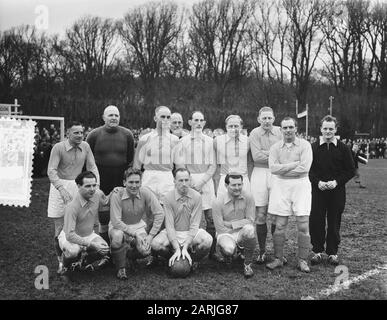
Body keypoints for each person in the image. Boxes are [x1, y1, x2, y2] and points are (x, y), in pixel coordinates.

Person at [47, 121, 100, 274]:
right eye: (75, 132)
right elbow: (51, 171)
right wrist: (61, 188)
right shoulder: (58, 147)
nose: (79, 135)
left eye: (81, 132)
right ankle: (60, 262)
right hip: (59, 187)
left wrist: (96, 185)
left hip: (78, 187)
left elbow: (92, 167)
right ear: (67, 133)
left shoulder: (86, 146)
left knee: (80, 226)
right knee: (59, 228)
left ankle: (78, 258)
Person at [266, 117, 313, 273]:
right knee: (279, 225)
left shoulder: (305, 145)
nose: (287, 130)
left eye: (290, 127)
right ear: (281, 130)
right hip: (281, 186)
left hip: (301, 185)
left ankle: (302, 260)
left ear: (296, 128)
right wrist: (293, 164)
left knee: (303, 224)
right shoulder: (274, 148)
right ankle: (278, 259)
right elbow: (273, 169)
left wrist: (283, 169)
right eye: (284, 128)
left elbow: (304, 168)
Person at [309, 115, 355, 266]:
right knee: (316, 220)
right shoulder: (313, 147)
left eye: (331, 129)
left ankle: (332, 252)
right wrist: (317, 182)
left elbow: (350, 170)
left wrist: (337, 182)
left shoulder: (343, 147)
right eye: (325, 128)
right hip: (318, 191)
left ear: (336, 129)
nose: (328, 131)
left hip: (337, 191)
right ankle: (317, 251)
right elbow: (308, 171)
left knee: (334, 221)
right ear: (321, 129)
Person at [86, 105, 135, 244]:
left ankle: (120, 249)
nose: (114, 118)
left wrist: (127, 183)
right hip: (101, 182)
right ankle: (105, 251)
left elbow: (130, 160)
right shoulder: (94, 135)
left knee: (121, 217)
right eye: (110, 115)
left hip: (120, 181)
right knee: (104, 218)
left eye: (116, 115)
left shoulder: (127, 135)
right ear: (103, 117)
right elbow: (88, 161)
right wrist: (94, 184)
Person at [151, 168, 213, 272]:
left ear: (190, 180)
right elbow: (169, 226)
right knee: (155, 244)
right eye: (180, 180)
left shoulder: (197, 196)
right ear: (174, 181)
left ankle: (193, 260)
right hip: (174, 231)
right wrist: (176, 247)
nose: (184, 184)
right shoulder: (168, 197)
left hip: (190, 232)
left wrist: (185, 246)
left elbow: (195, 224)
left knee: (207, 240)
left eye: (186, 180)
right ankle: (173, 256)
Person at [174, 111, 217, 258]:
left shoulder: (210, 141)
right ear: (190, 122)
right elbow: (180, 164)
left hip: (206, 182)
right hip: (189, 182)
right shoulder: (183, 141)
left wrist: (202, 182)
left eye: (201, 120)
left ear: (204, 123)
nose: (198, 123)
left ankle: (212, 252)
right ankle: (192, 250)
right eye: (196, 120)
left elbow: (213, 165)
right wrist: (190, 182)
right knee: (192, 218)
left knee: (211, 218)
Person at [109, 168, 165, 280]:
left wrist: (150, 236)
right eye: (130, 182)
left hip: (138, 226)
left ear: (141, 182)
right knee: (117, 237)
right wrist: (134, 235)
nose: (134, 185)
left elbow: (160, 213)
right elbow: (116, 221)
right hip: (119, 227)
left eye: (137, 182)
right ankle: (121, 268)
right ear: (124, 182)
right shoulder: (117, 194)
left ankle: (128, 255)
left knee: (146, 250)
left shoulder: (145, 192)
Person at [249, 106, 282, 264]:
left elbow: (284, 155)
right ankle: (262, 251)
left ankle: (278, 253)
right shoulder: (254, 133)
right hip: (260, 173)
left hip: (277, 174)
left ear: (274, 119)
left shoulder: (280, 132)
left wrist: (266, 153)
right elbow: (256, 157)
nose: (267, 121)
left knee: (276, 214)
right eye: (264, 118)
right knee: (261, 214)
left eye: (269, 118)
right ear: (259, 119)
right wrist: (274, 153)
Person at [59, 171, 110, 276]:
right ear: (78, 186)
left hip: (88, 235)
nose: (92, 189)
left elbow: (107, 201)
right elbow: (70, 235)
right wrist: (92, 245)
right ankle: (64, 265)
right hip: (70, 237)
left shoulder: (98, 194)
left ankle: (85, 261)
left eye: (94, 185)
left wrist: (117, 191)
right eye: (87, 186)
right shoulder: (72, 206)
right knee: (73, 251)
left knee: (104, 248)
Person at [212, 173, 257, 278]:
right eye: (233, 185)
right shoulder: (217, 201)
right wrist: (238, 226)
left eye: (239, 184)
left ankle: (247, 265)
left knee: (250, 229)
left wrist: (232, 224)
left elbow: (250, 220)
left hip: (241, 231)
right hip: (225, 234)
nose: (237, 188)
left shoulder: (248, 197)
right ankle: (232, 253)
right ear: (226, 186)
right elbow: (220, 228)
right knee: (229, 249)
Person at [133, 106, 180, 203]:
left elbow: (180, 166)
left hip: (167, 177)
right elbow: (137, 164)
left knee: (166, 210)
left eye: (168, 117)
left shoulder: (175, 140)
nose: (165, 120)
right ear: (155, 118)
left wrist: (180, 182)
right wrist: (136, 182)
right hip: (149, 177)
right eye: (162, 117)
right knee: (148, 210)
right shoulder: (144, 139)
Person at [214, 115, 251, 199]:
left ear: (241, 126)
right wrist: (217, 182)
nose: (233, 129)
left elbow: (250, 162)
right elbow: (216, 164)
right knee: (223, 208)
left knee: (243, 208)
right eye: (230, 126)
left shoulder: (248, 140)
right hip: (225, 179)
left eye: (236, 126)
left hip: (243, 179)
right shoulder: (217, 141)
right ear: (226, 127)